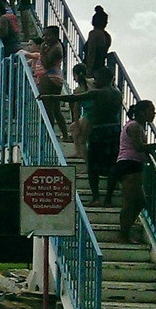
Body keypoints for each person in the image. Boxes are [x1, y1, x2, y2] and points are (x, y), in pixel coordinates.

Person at [42, 67, 123, 205]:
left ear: (105, 78)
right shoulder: (117, 93)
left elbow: (74, 98)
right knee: (112, 165)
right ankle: (108, 198)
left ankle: (96, 197)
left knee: (92, 165)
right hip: (114, 130)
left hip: (99, 131)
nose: (95, 81)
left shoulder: (99, 93)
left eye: (97, 79)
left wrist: (51, 97)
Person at [103, 100, 156, 243]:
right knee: (130, 202)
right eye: (151, 110)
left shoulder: (137, 126)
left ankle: (125, 231)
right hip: (129, 165)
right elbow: (138, 147)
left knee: (140, 202)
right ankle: (123, 234)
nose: (154, 114)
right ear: (141, 112)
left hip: (133, 164)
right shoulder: (134, 127)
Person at [29, 24, 70, 140]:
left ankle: (49, 135)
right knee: (56, 109)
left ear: (55, 36)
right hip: (56, 76)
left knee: (48, 108)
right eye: (44, 35)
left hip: (50, 77)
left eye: (48, 35)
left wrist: (42, 51)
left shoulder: (56, 48)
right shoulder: (55, 46)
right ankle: (65, 135)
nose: (45, 38)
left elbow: (46, 64)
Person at [84, 5, 112, 74]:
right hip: (101, 68)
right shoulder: (107, 36)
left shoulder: (94, 34)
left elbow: (91, 52)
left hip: (93, 69)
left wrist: (89, 70)